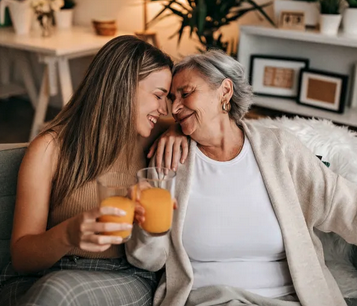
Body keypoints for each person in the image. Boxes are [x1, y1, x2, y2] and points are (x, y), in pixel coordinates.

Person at [126, 50, 357, 306]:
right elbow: (148, 260)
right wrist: (148, 226)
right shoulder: (169, 160)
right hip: (209, 301)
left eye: (186, 93)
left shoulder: (279, 149)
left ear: (224, 91)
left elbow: (345, 206)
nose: (175, 108)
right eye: (171, 98)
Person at [0, 35, 188, 306]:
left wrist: (177, 130)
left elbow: (210, 123)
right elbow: (22, 257)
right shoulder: (49, 149)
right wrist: (68, 234)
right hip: (39, 277)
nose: (163, 108)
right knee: (53, 290)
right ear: (122, 87)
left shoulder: (156, 136)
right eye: (159, 95)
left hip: (122, 277)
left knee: (58, 291)